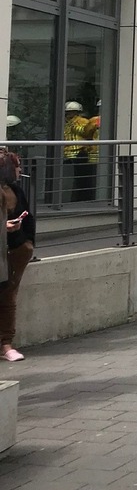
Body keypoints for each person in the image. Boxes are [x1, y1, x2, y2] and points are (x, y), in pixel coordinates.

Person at [0, 149, 35, 361]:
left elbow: (28, 217)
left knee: (8, 296)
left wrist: (27, 244)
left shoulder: (15, 190)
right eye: (16, 166)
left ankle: (6, 344)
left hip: (14, 249)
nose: (20, 170)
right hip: (5, 248)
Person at [63, 100, 99, 202]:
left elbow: (85, 132)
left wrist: (74, 127)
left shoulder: (81, 121)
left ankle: (81, 199)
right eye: (68, 112)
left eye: (72, 112)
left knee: (81, 180)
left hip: (79, 154)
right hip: (68, 154)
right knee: (72, 180)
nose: (69, 114)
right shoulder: (66, 122)